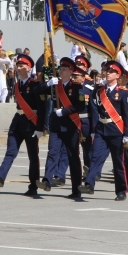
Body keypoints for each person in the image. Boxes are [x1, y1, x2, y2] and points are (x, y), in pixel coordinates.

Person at [0, 54, 45, 196]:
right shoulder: (17, 85)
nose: (19, 68)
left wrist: (40, 127)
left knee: (33, 155)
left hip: (31, 123)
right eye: (17, 66)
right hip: (18, 121)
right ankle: (0, 176)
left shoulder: (35, 85)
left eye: (22, 66)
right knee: (11, 151)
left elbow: (42, 108)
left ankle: (33, 185)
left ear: (29, 67)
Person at [78, 61, 128, 201]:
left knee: (118, 162)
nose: (107, 73)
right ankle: (89, 184)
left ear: (117, 75)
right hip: (101, 130)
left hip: (116, 130)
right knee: (95, 157)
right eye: (106, 71)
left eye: (111, 72)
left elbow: (127, 116)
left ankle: (121, 190)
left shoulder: (124, 93)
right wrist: (93, 130)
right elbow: (94, 111)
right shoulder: (99, 91)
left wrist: (127, 134)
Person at [35, 58, 85, 197]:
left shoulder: (76, 87)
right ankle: (46, 180)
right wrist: (47, 84)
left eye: (64, 69)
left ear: (70, 72)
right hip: (56, 125)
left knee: (72, 157)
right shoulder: (55, 85)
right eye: (60, 69)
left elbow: (81, 106)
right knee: (52, 153)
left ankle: (76, 189)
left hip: (70, 125)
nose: (61, 71)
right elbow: (36, 91)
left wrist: (65, 111)